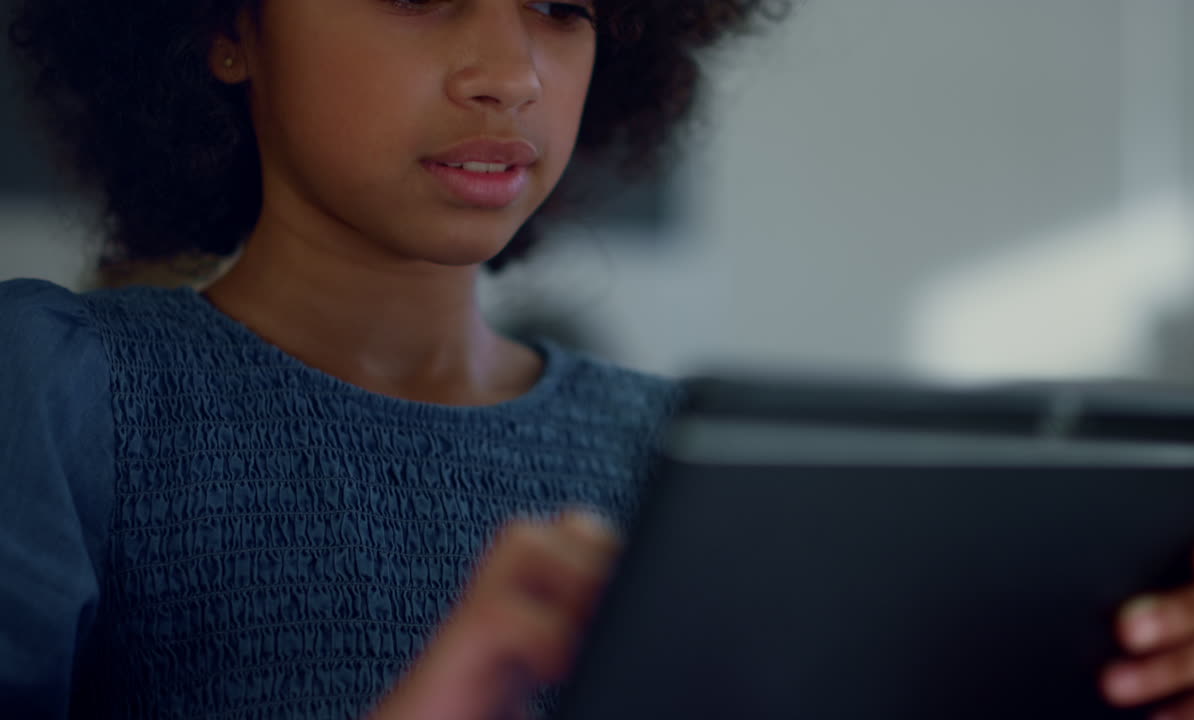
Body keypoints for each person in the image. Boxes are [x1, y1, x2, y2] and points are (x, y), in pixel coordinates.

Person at [0, 1, 785, 718]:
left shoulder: (681, 461)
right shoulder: (62, 391)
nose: (511, 77)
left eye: (559, 8)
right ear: (230, 29)